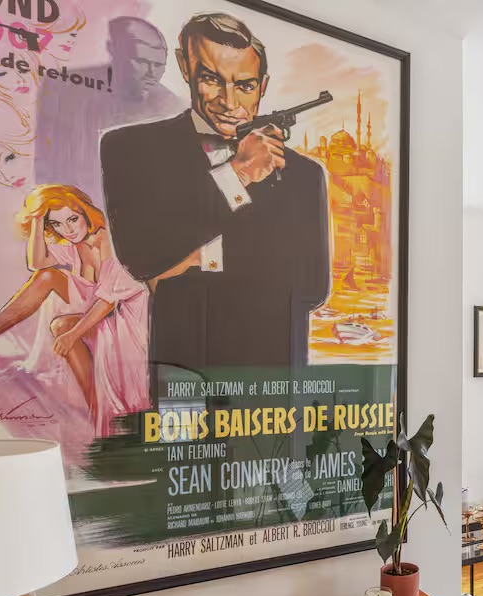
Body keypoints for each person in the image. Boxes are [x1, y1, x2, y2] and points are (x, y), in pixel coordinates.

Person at [100, 12, 331, 375]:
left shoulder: (305, 174)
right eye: (211, 79)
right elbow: (143, 258)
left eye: (245, 85)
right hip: (184, 363)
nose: (229, 101)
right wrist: (237, 174)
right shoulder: (129, 148)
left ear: (263, 85)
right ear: (184, 67)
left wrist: (192, 258)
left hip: (274, 368)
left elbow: (311, 288)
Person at [0, 185, 158, 437]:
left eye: (72, 219)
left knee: (62, 327)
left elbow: (107, 301)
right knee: (46, 277)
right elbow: (37, 263)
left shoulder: (108, 242)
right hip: (100, 311)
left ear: (85, 213)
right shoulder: (75, 244)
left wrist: (72, 335)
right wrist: (39, 219)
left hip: (127, 321)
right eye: (57, 224)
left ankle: (100, 414)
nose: (68, 229)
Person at [35, 17, 181, 202]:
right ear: (113, 50)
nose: (152, 73)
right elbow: (44, 162)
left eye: (159, 65)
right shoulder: (63, 89)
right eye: (141, 61)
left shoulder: (172, 106)